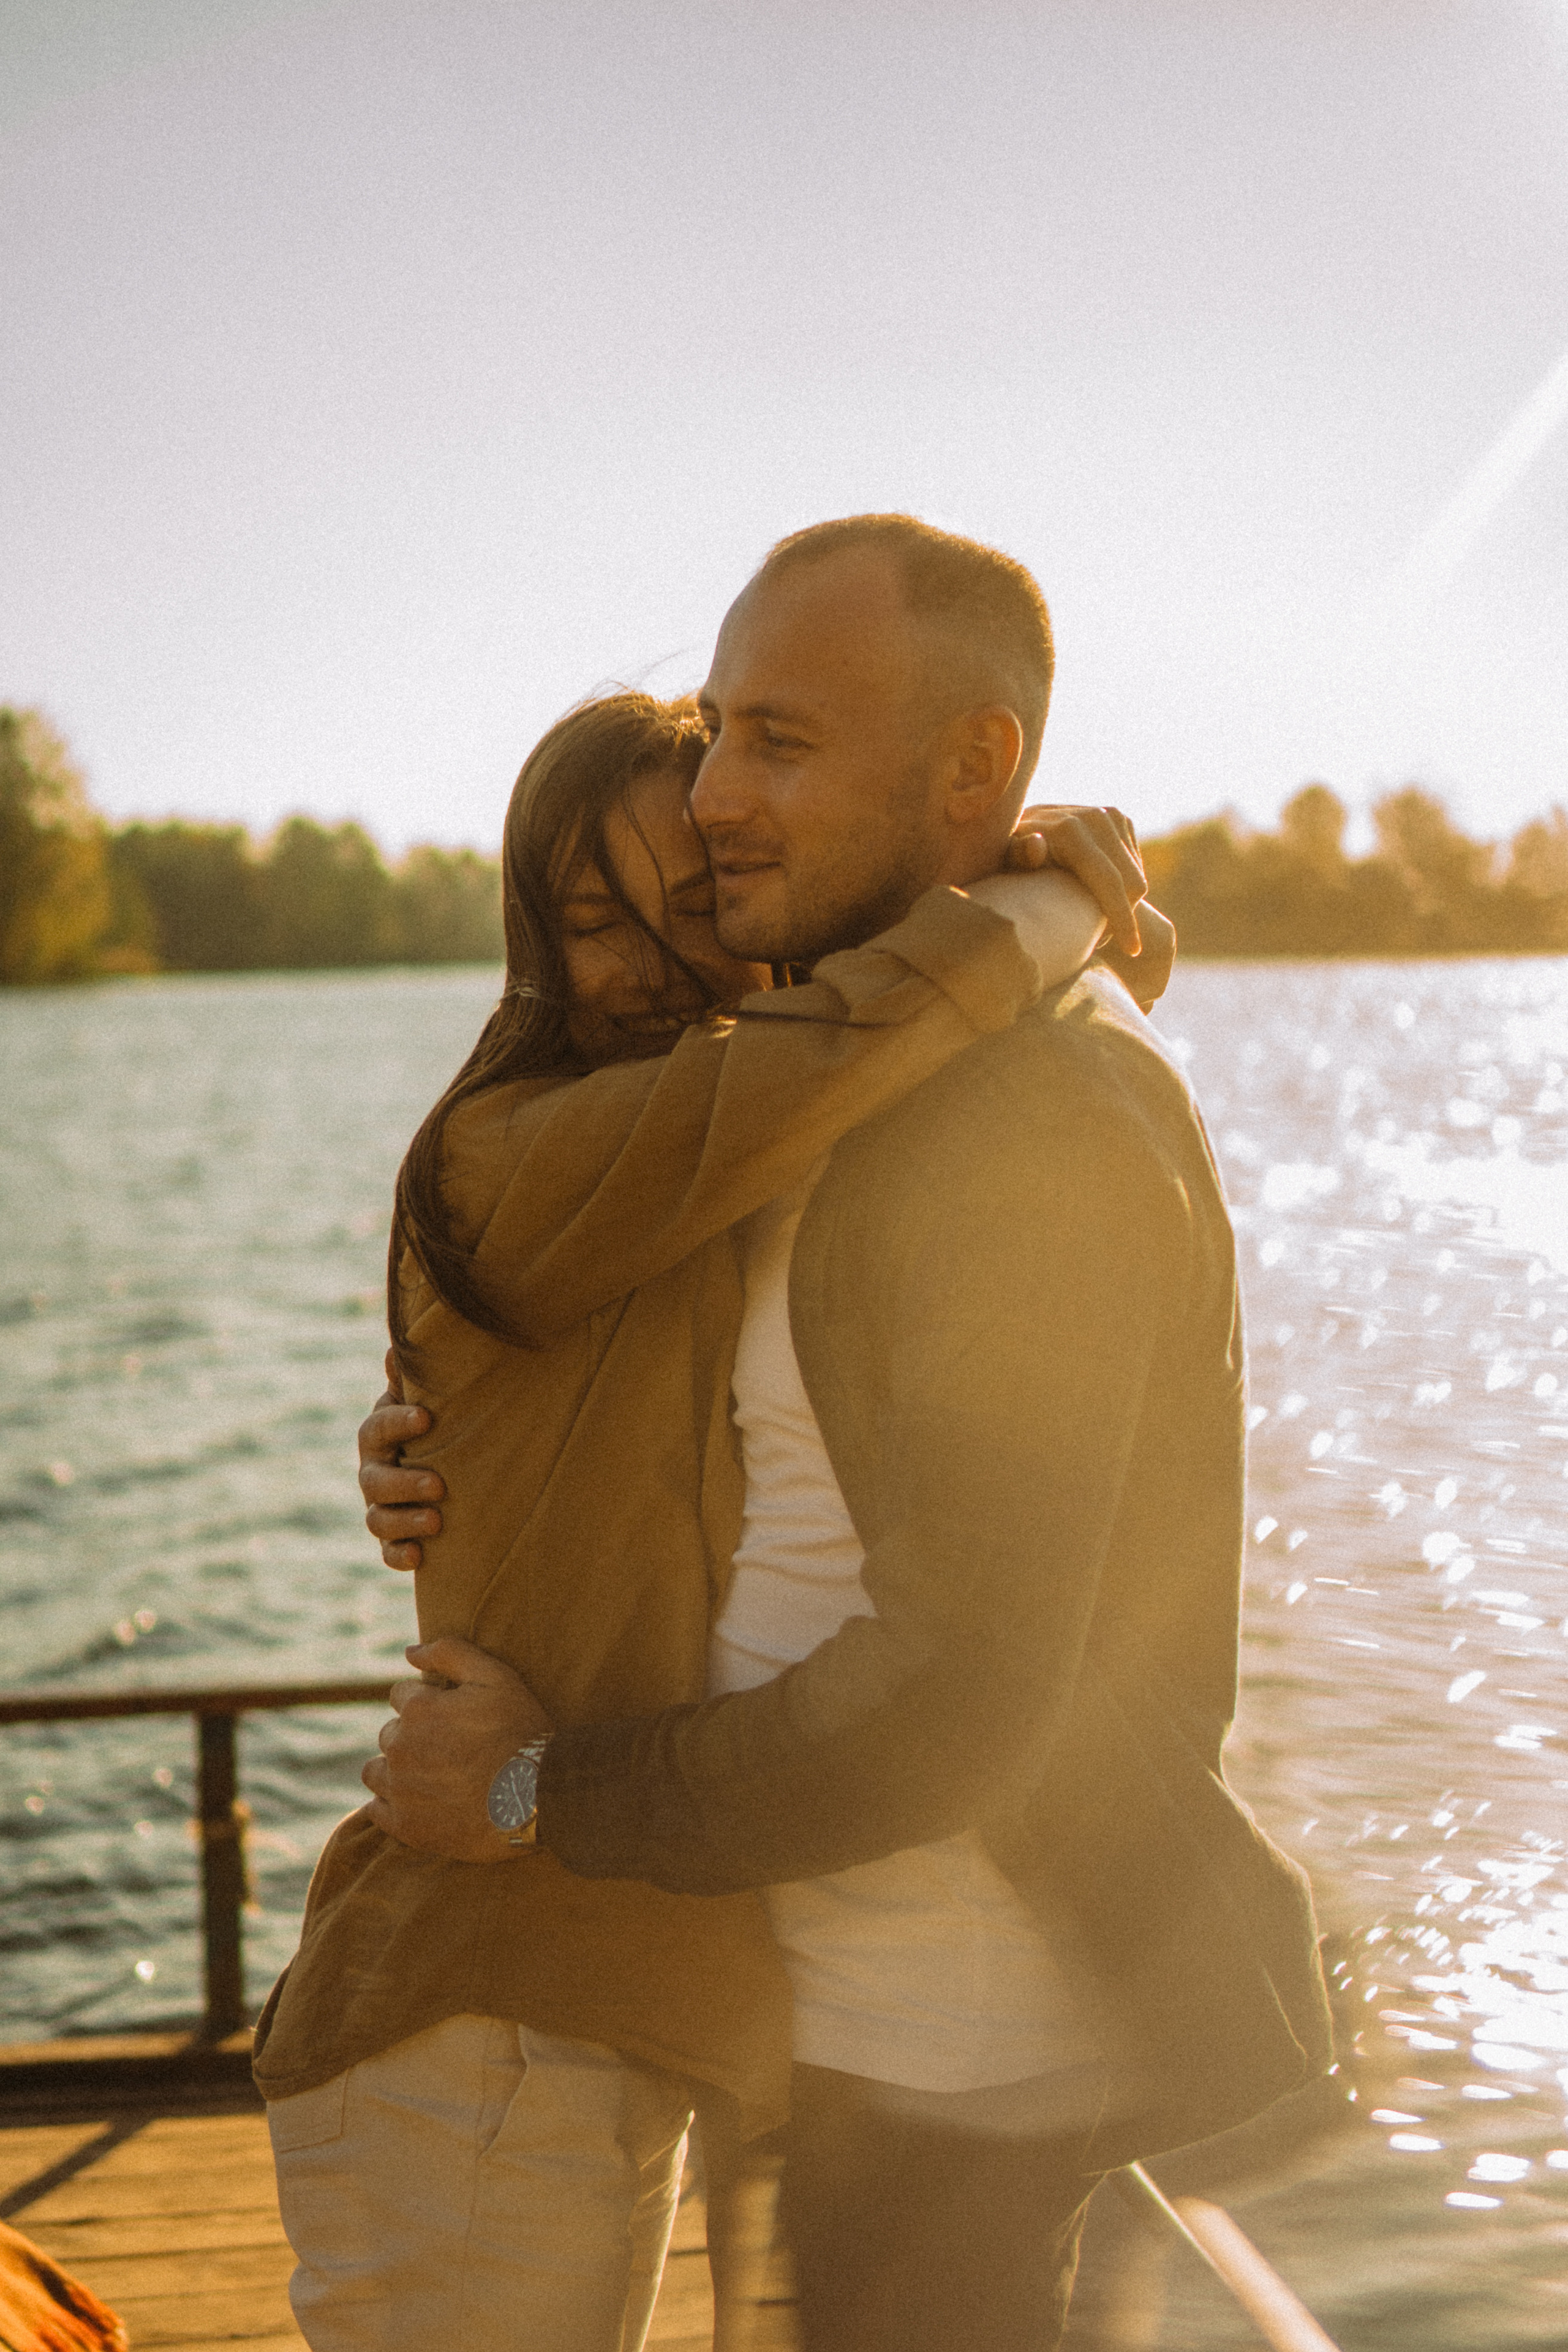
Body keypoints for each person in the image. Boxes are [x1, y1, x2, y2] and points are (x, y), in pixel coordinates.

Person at [365, 514, 1335, 2352]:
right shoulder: (838, 1080)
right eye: (720, 728)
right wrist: (441, 1450)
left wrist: (529, 1791)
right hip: (796, 1998)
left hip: (959, 2062)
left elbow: (959, 1694)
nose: (718, 795)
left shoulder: (1033, 1119)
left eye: (782, 744)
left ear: (979, 770)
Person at [256, 680, 1155, 2352]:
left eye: (699, 908)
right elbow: (854, 1032)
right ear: (527, 929)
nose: (650, 967)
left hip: (626, 1990)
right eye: (594, 921)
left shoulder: (744, 1172)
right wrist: (1044, 907)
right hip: (477, 1996)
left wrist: (1029, 932)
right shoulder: (517, 1155)